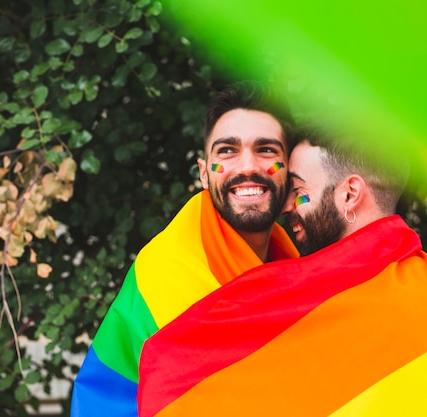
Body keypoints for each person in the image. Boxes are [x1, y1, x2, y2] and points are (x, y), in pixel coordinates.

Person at [136, 125, 427, 416]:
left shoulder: (338, 292)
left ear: (350, 193)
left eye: (299, 191)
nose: (286, 206)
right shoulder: (425, 284)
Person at [70, 81, 300, 417]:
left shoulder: (296, 266)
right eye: (227, 151)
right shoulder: (166, 270)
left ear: (289, 173)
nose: (248, 166)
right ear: (204, 174)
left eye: (266, 150)